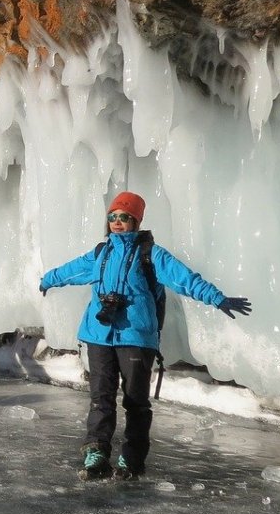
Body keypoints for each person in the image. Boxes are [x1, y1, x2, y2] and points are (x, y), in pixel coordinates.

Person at [39, 191, 252, 481]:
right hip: (98, 335)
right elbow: (72, 270)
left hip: (136, 337)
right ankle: (97, 453)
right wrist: (48, 279)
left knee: (135, 401)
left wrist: (217, 298)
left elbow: (184, 278)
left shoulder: (151, 253)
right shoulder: (101, 253)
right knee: (100, 397)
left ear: (136, 220)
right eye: (112, 216)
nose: (117, 222)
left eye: (124, 217)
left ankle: (131, 458)